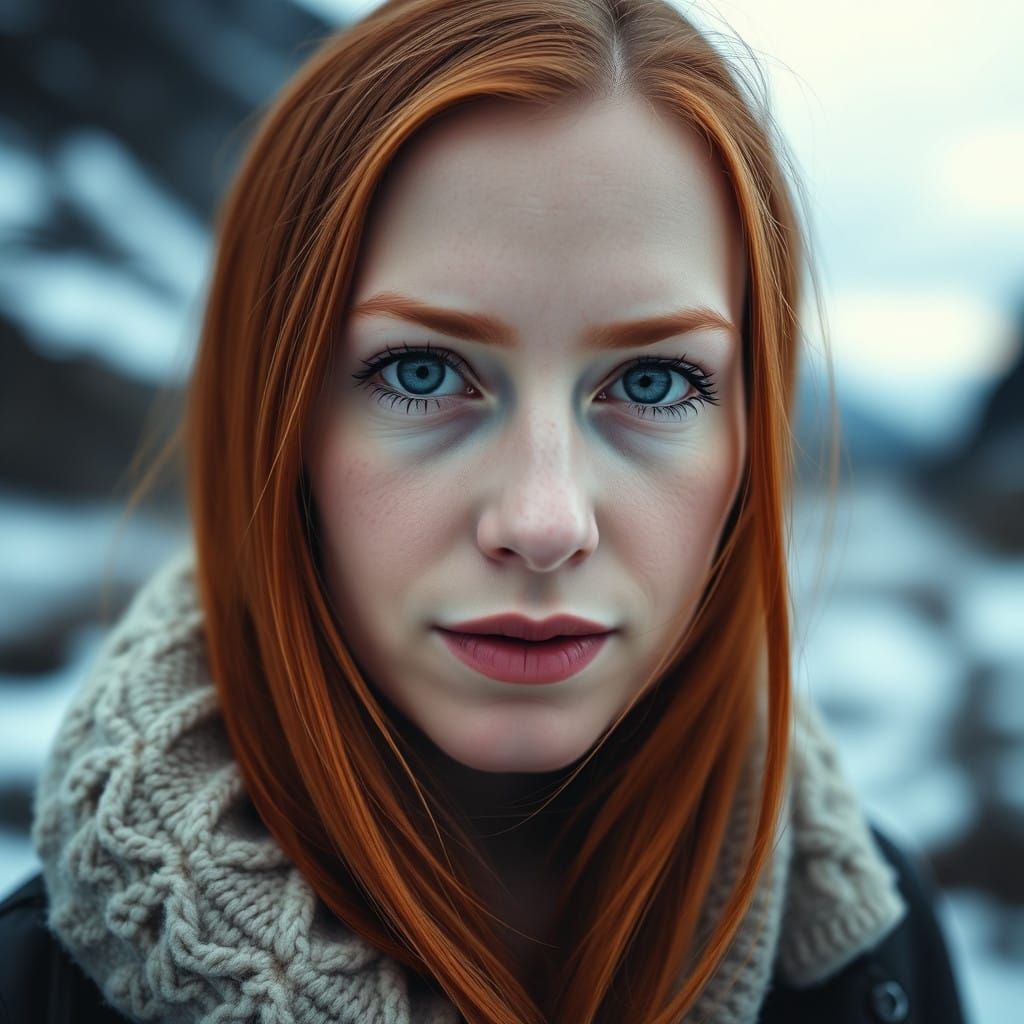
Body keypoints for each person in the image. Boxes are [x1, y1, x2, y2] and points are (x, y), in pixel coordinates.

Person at [0, 0, 969, 1021]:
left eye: (651, 385)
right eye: (421, 371)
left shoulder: (876, 946)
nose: (545, 522)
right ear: (273, 426)